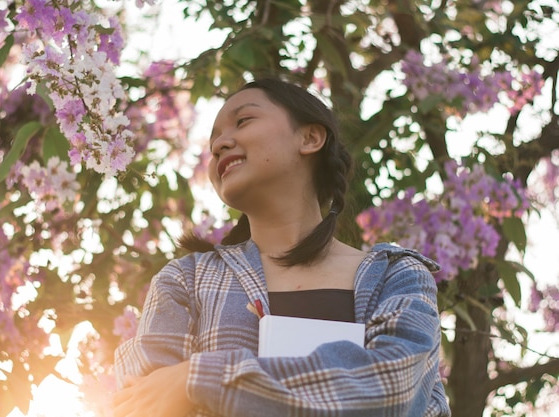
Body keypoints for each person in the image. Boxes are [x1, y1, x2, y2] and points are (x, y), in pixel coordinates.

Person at [113, 78, 451, 417]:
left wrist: (198, 378)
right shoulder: (185, 281)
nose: (218, 144)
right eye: (214, 137)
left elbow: (391, 390)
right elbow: (141, 403)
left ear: (309, 138)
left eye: (243, 121)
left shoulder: (396, 276)